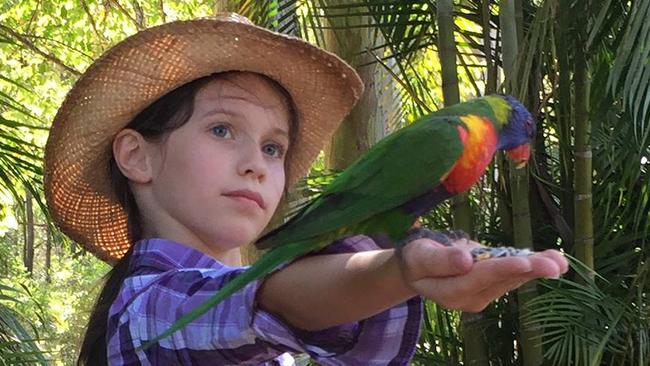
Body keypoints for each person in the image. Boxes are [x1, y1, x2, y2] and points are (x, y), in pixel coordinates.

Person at [44, 13, 568, 366]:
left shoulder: (272, 340)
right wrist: (400, 268)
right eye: (223, 130)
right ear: (137, 156)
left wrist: (398, 268)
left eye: (275, 148)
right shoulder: (145, 311)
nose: (257, 164)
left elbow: (341, 336)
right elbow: (265, 301)